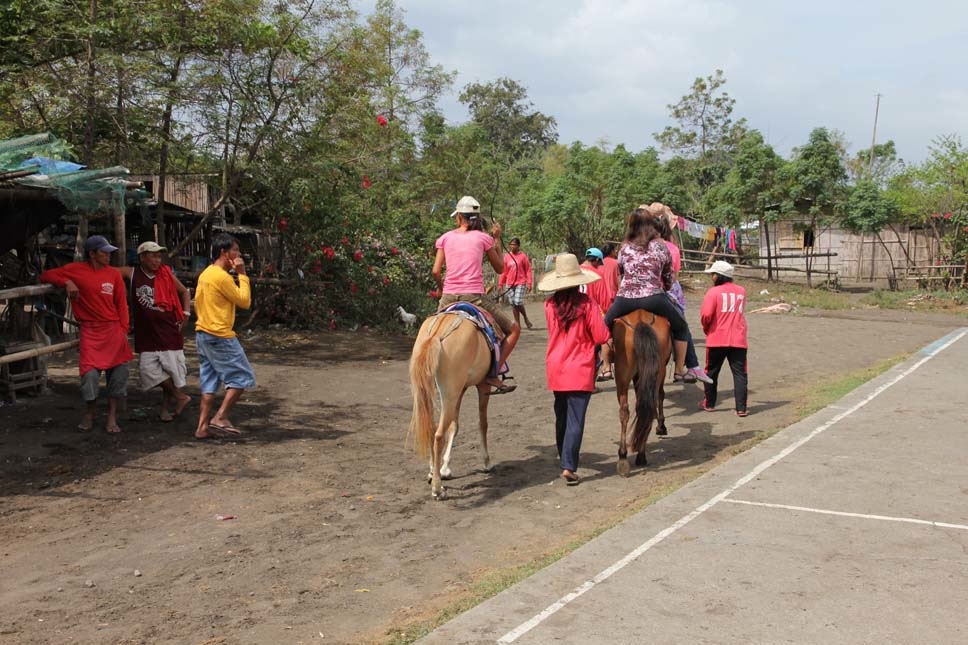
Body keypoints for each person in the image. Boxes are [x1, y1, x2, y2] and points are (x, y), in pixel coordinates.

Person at [604, 208, 712, 384]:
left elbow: (621, 274)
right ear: (651, 225)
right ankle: (679, 370)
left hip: (626, 299)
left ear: (631, 225)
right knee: (681, 326)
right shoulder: (660, 246)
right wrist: (665, 286)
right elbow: (669, 276)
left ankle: (606, 366)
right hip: (654, 298)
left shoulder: (624, 248)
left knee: (604, 326)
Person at [39, 235, 133, 433]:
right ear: (92, 254)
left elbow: (121, 305)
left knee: (118, 373)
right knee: (89, 374)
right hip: (90, 330)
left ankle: (112, 416)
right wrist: (66, 282)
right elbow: (46, 276)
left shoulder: (114, 274)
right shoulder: (75, 270)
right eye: (103, 252)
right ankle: (90, 412)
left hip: (113, 329)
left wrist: (123, 330)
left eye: (109, 252)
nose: (108, 256)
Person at [433, 195, 520, 395]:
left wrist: (441, 289)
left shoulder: (445, 238)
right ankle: (493, 372)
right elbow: (500, 268)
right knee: (514, 329)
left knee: (432, 332)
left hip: (448, 297)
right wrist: (497, 238)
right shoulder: (484, 238)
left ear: (458, 218)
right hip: (474, 297)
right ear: (477, 218)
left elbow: (436, 271)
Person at [538, 253, 610, 486]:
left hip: (556, 366)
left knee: (561, 415)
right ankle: (568, 466)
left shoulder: (549, 305)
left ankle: (563, 456)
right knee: (576, 419)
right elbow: (600, 336)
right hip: (580, 367)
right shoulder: (588, 304)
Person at [118, 242, 192, 422]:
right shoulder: (133, 273)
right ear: (142, 257)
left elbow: (184, 292)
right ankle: (180, 396)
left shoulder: (165, 274)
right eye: (153, 256)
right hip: (147, 333)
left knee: (170, 371)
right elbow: (108, 273)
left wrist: (186, 314)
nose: (157, 260)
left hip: (169, 330)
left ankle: (165, 409)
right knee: (147, 370)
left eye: (159, 256)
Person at [193, 233, 256, 439]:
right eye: (235, 250)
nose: (239, 255)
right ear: (224, 252)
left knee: (209, 382)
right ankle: (220, 416)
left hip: (203, 334)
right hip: (219, 334)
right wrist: (242, 273)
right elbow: (244, 301)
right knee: (242, 377)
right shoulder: (222, 277)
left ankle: (202, 427)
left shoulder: (206, 274)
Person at [650, 203, 711, 384]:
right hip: (666, 292)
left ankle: (606, 361)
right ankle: (684, 368)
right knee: (681, 326)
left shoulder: (640, 246)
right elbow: (674, 276)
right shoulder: (673, 249)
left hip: (639, 292)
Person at [699, 260, 749, 416]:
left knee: (711, 372)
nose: (711, 277)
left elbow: (706, 315)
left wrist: (707, 328)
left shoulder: (712, 293)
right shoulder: (741, 291)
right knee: (740, 373)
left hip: (717, 338)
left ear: (718, 276)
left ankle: (709, 403)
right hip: (738, 339)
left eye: (713, 274)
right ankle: (741, 408)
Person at [497, 237, 534, 330]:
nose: (512, 246)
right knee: (513, 303)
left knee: (517, 301)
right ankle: (518, 324)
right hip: (509, 283)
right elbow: (504, 271)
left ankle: (525, 318)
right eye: (511, 245)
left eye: (515, 245)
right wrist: (500, 283)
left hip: (520, 282)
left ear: (518, 246)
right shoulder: (507, 256)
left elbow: (528, 270)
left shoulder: (523, 256)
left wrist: (529, 282)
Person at [598, 242, 620, 381]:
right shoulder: (616, 263)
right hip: (614, 300)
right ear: (611, 251)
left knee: (604, 333)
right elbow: (620, 282)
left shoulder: (598, 264)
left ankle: (606, 367)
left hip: (600, 302)